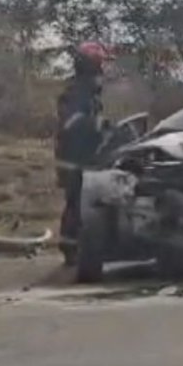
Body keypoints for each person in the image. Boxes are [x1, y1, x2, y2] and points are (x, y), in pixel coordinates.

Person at [54, 41, 113, 265]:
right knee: (76, 202)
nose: (104, 69)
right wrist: (99, 125)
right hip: (74, 158)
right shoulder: (79, 91)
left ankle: (78, 247)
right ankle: (71, 250)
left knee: (80, 202)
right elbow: (71, 123)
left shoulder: (89, 91)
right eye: (101, 63)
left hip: (83, 156)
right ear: (92, 65)